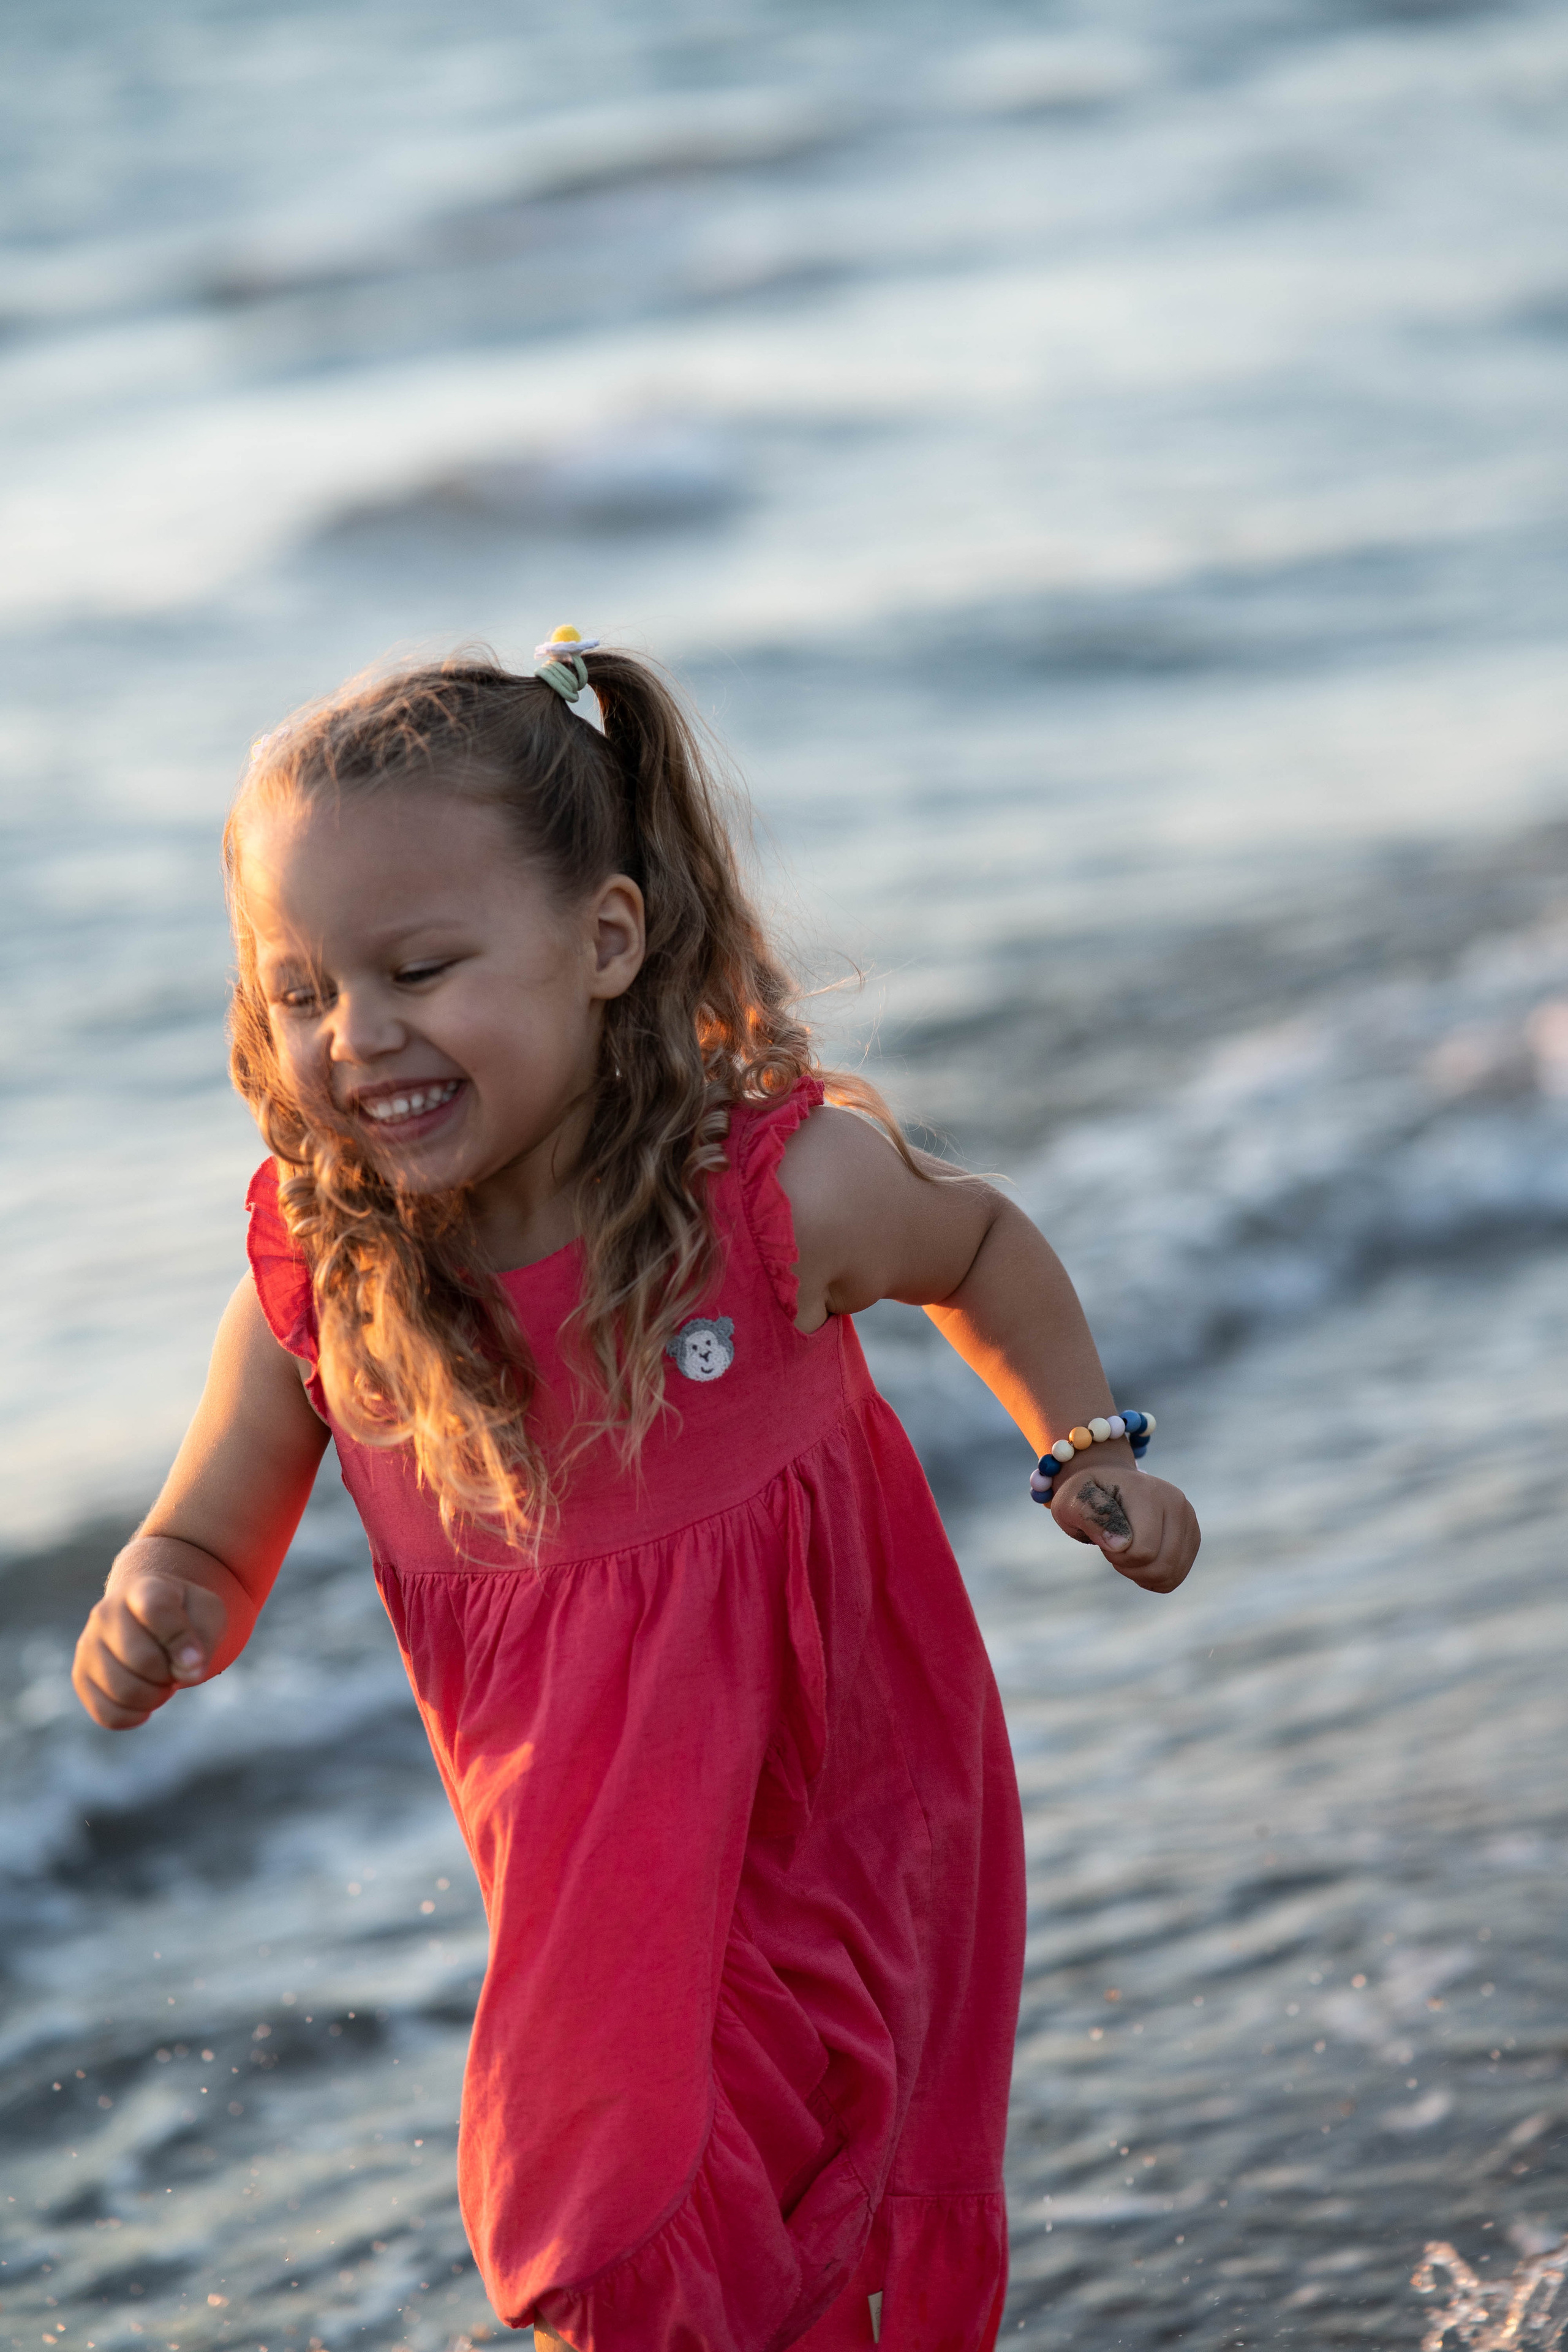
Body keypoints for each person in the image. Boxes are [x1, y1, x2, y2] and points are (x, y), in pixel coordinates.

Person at [71, 634, 1199, 2352]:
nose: (359, 1037)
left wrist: (1084, 1447)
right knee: (602, 2243)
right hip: (599, 1876)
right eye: (300, 992)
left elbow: (972, 1240)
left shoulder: (764, 1208)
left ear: (605, 939)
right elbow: (212, 1525)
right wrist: (161, 1603)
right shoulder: (331, 1287)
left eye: (422, 968)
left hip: (850, 1802)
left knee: (832, 2219)